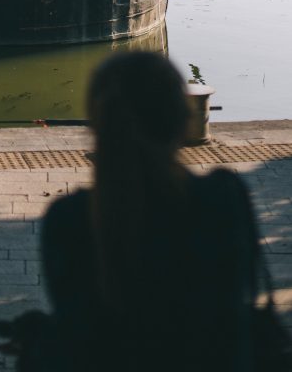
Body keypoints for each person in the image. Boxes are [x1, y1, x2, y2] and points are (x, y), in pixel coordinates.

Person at [38, 52, 260, 372]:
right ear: (184, 120)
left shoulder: (68, 220)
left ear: (97, 122)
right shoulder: (221, 200)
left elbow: (77, 333)